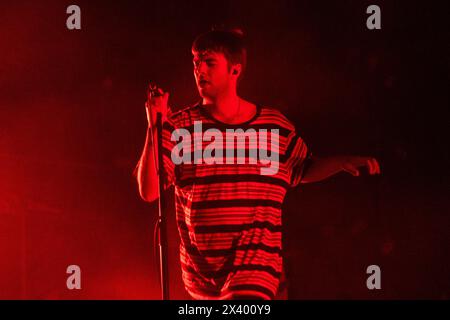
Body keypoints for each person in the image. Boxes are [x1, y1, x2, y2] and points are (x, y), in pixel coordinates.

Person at [134, 29, 381, 300]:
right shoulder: (180, 128)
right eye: (195, 63)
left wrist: (341, 162)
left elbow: (301, 168)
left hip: (255, 269)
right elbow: (149, 190)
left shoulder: (272, 127)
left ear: (235, 70)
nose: (199, 69)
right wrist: (154, 127)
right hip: (202, 277)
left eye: (209, 62)